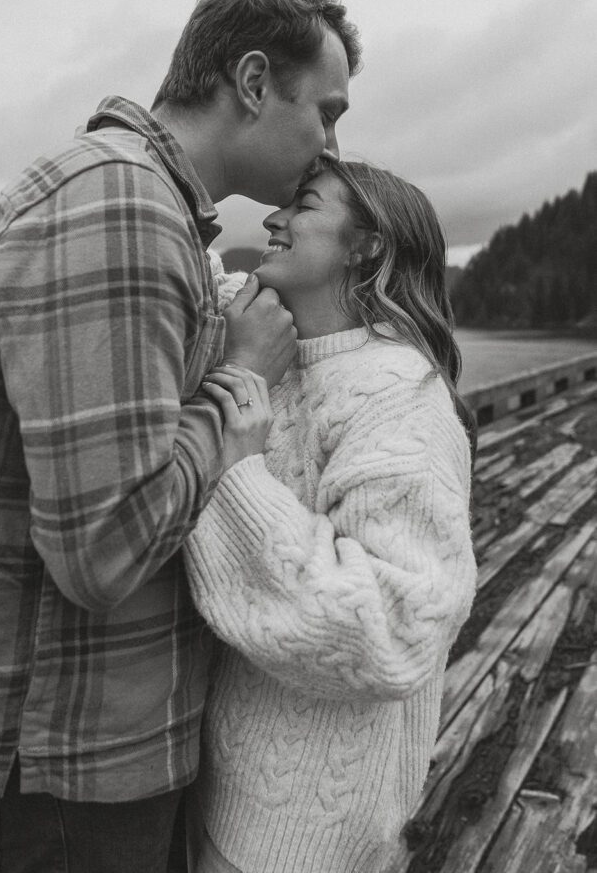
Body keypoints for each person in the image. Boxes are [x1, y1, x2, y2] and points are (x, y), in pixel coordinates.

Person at [0, 0, 361, 873]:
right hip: (71, 749)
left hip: (102, 739)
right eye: (327, 110)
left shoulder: (151, 208)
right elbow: (103, 548)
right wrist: (239, 382)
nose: (329, 147)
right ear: (250, 82)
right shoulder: (117, 204)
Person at [184, 161, 478, 873]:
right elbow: (185, 265)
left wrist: (233, 472)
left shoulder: (397, 396)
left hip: (300, 830)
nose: (273, 221)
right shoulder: (278, 349)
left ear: (365, 247)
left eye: (303, 206)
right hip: (216, 778)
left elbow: (393, 628)